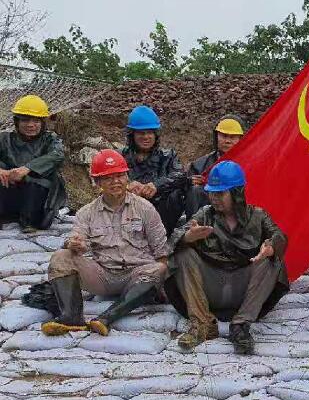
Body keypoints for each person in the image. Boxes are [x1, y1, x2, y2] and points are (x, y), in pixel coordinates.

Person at [41, 149, 168, 336]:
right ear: (97, 182)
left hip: (138, 275)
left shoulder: (145, 208)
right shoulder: (86, 212)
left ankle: (106, 318)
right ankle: (71, 317)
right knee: (61, 256)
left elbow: (161, 251)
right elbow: (77, 237)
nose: (115, 182)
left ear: (127, 177)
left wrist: (160, 283)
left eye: (120, 176)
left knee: (160, 268)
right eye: (108, 178)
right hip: (103, 275)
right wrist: (75, 244)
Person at [167, 161, 288, 354]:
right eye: (212, 193)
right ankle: (202, 323)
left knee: (271, 261)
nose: (214, 198)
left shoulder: (258, 216)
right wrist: (188, 237)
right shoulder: (205, 214)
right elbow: (175, 237)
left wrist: (271, 247)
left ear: (237, 193)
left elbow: (279, 236)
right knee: (182, 253)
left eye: (220, 194)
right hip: (211, 286)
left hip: (243, 289)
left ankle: (240, 325)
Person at [0, 95, 66, 230]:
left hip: (37, 198)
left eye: (36, 121)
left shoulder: (50, 139)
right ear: (17, 122)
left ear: (43, 123)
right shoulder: (4, 138)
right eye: (25, 120)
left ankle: (29, 222)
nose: (30, 125)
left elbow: (57, 155)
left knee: (36, 186)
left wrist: (26, 169)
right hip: (9, 194)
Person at [121, 105, 186, 234]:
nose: (146, 137)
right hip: (129, 214)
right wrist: (127, 186)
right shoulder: (120, 157)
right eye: (141, 133)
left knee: (176, 193)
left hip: (162, 213)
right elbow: (107, 181)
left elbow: (181, 175)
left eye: (150, 132)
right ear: (132, 135)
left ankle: (165, 236)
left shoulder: (168, 156)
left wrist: (157, 186)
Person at [186, 115, 246, 217]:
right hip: (209, 214)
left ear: (241, 138)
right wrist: (188, 182)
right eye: (224, 136)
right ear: (216, 136)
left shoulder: (250, 163)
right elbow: (185, 192)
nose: (227, 141)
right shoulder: (199, 165)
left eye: (232, 137)